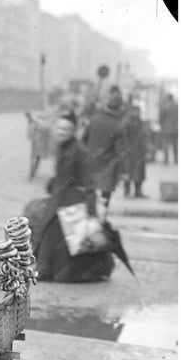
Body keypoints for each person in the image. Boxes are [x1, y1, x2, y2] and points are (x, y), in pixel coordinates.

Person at [29, 111, 115, 283]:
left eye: (66, 129)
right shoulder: (63, 147)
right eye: (59, 128)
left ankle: (58, 272)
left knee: (63, 235)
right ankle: (48, 270)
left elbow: (89, 180)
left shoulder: (79, 151)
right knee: (52, 233)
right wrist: (54, 182)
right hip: (59, 198)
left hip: (72, 202)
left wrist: (91, 210)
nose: (61, 132)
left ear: (73, 130)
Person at [83, 85, 127, 208]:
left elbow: (84, 139)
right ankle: (101, 219)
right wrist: (123, 171)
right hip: (108, 167)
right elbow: (120, 151)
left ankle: (88, 216)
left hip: (90, 162)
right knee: (104, 198)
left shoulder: (94, 119)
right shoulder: (118, 126)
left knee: (88, 193)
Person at [122, 105, 148, 198]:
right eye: (135, 111)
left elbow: (143, 136)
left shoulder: (140, 122)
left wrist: (145, 149)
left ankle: (138, 191)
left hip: (139, 151)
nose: (137, 113)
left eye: (138, 111)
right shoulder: (126, 122)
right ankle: (126, 191)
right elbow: (123, 137)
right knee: (128, 172)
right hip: (129, 152)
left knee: (139, 173)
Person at [160, 94, 178, 164]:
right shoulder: (177, 106)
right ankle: (176, 160)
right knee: (175, 145)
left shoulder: (165, 106)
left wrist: (162, 125)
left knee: (166, 145)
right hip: (175, 128)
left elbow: (161, 117)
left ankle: (166, 160)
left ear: (168, 99)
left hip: (166, 128)